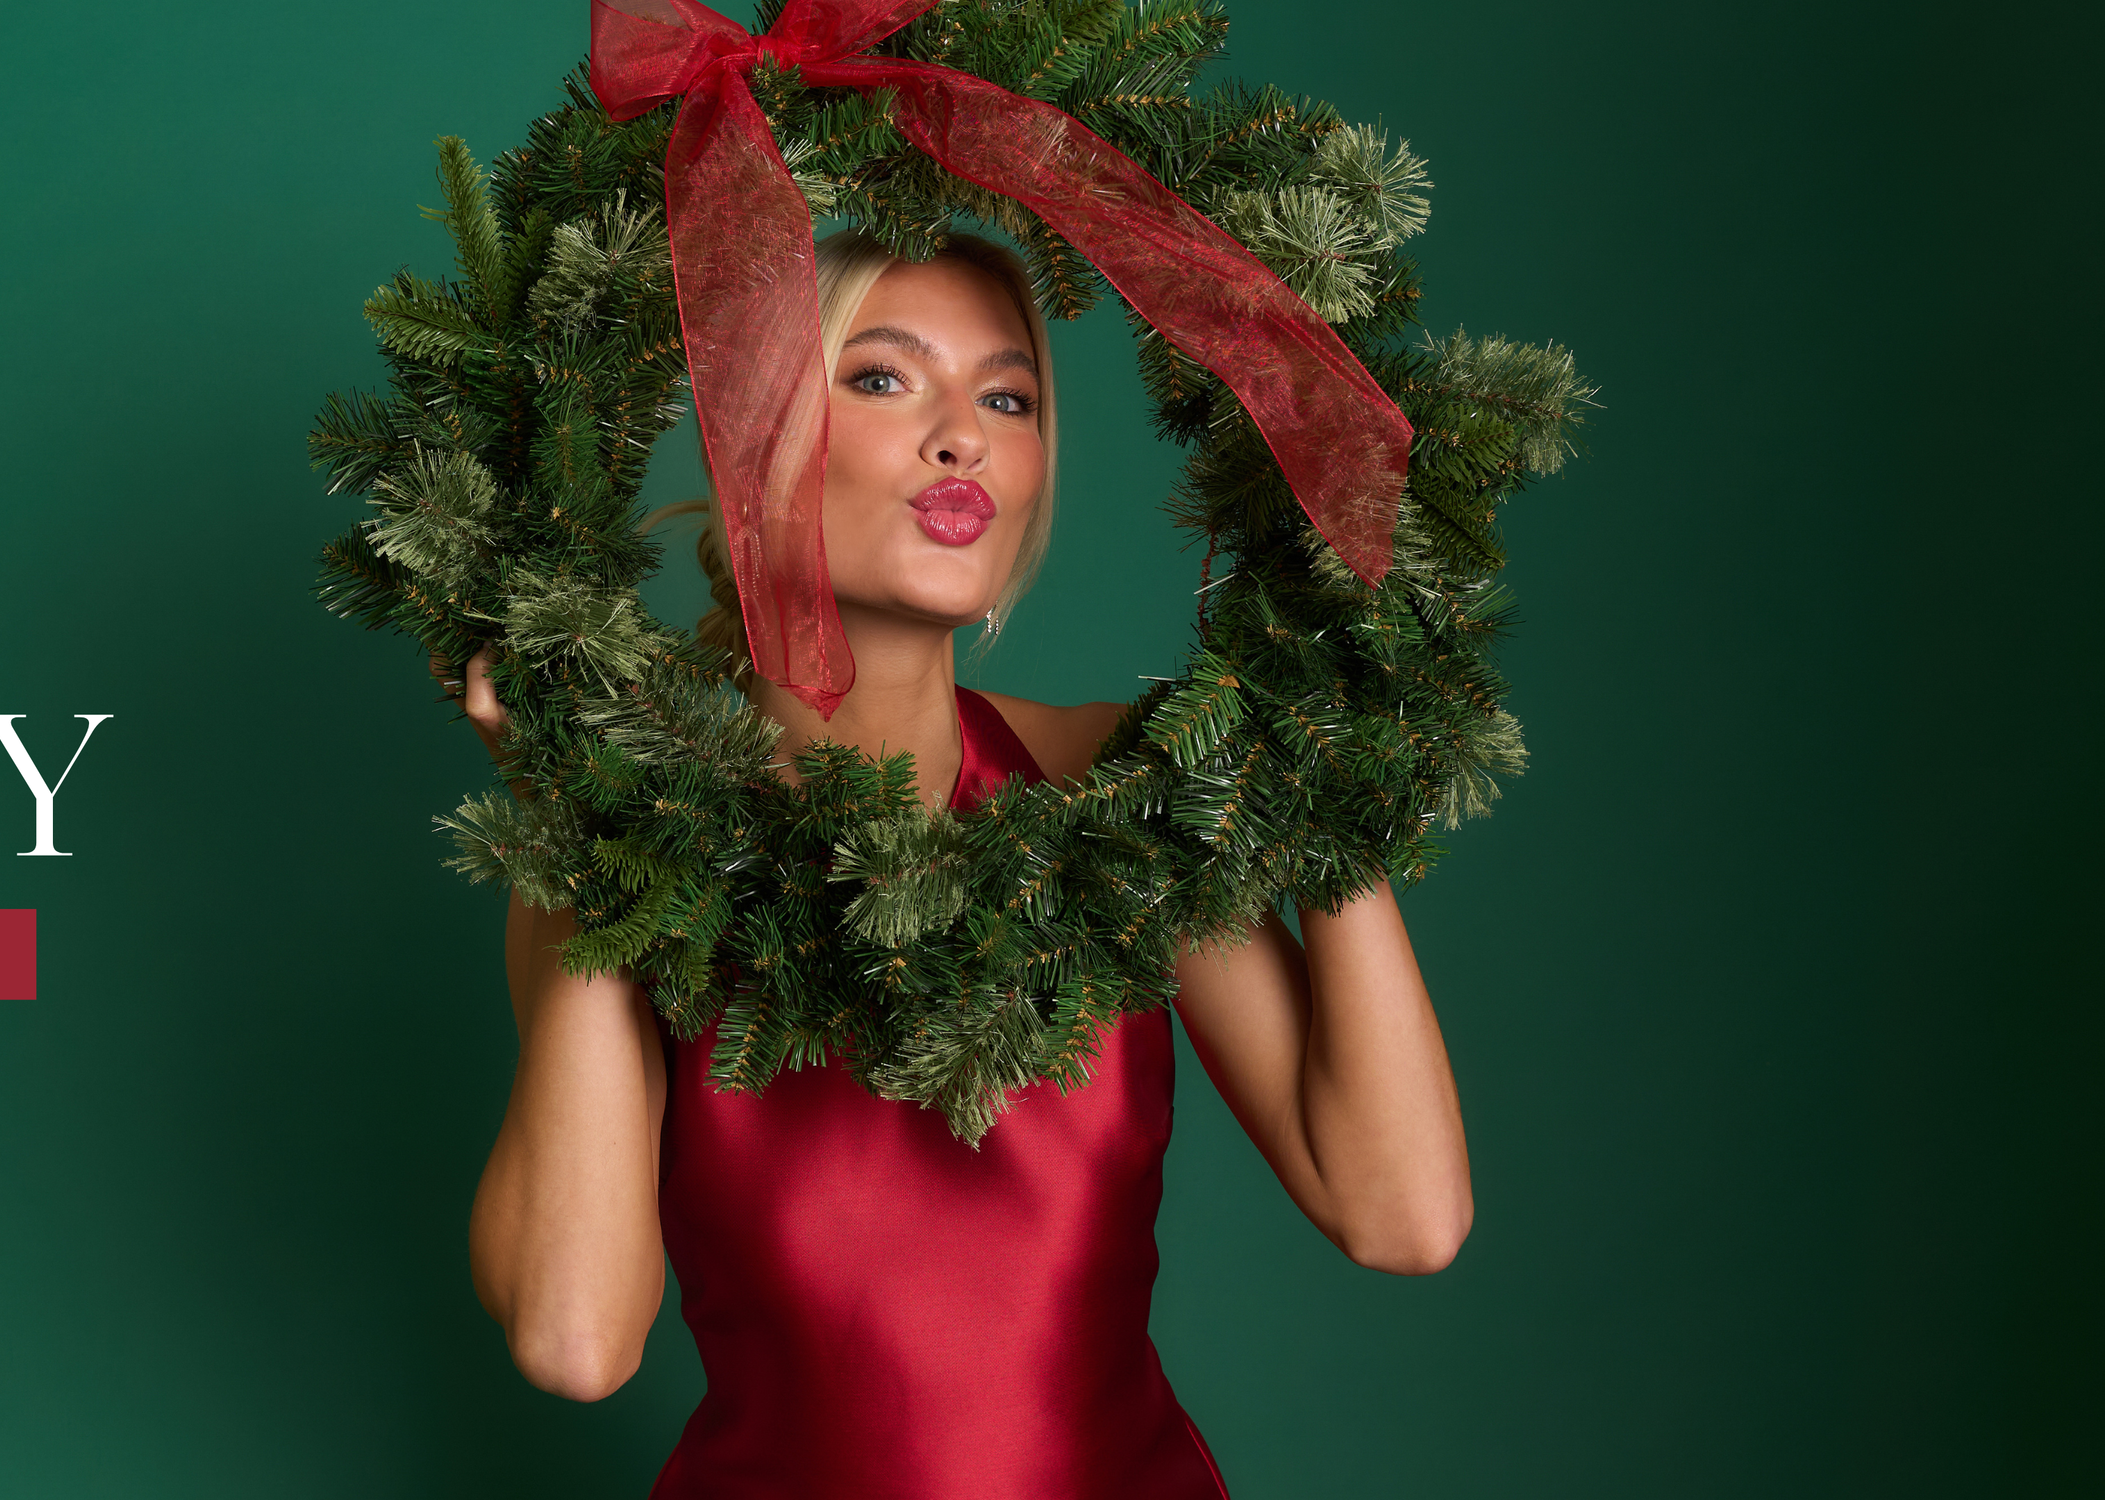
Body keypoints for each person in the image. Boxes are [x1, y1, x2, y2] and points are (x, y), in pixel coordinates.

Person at [441, 230, 1473, 1498]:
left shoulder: (1117, 785)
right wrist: (582, 818)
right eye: (884, 378)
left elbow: (1403, 1215)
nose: (964, 438)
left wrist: (1311, 728)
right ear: (753, 434)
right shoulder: (636, 848)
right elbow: (577, 1339)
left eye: (1008, 397)